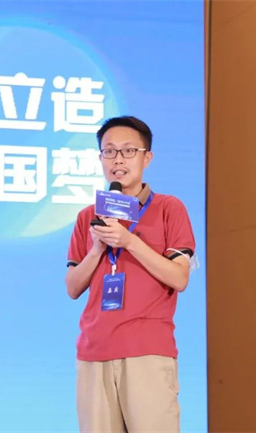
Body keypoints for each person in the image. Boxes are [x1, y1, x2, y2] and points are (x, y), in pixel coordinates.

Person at [65, 116, 196, 433]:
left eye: (128, 151)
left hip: (146, 350)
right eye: (109, 151)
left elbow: (179, 278)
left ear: (146, 158)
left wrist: (129, 241)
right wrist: (97, 249)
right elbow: (72, 287)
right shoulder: (88, 216)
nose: (118, 160)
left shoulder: (168, 208)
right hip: (93, 351)